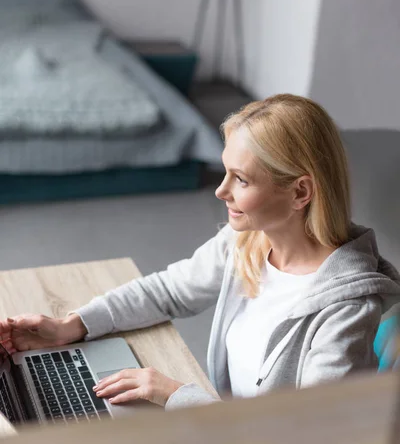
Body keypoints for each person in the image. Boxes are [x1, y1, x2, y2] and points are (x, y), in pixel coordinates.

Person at [1, 94, 400, 412]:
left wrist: (175, 395)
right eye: (226, 172)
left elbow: (309, 436)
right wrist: (73, 325)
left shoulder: (346, 310)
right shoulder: (249, 241)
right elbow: (170, 290)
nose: (220, 191)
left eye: (240, 179)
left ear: (300, 192)